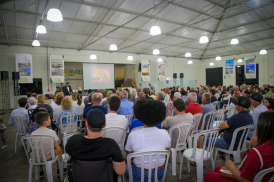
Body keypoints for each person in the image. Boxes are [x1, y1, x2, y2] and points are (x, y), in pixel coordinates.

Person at [204, 111, 274, 182]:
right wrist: (237, 165)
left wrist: (231, 166)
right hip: (261, 177)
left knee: (208, 175)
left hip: (244, 178)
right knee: (217, 169)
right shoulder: (269, 146)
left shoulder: (256, 153)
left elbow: (244, 179)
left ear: (263, 127)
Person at [66, 109, 126, 176]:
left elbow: (68, 152)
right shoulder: (111, 145)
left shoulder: (73, 141)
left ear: (86, 123)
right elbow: (120, 171)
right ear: (104, 125)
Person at [125, 99, 171, 181]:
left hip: (139, 173)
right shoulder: (165, 134)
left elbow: (129, 153)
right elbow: (166, 152)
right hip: (159, 171)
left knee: (126, 166)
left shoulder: (133, 135)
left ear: (140, 116)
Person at [31, 112, 63, 177]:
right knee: (59, 148)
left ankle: (41, 170)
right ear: (46, 122)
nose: (50, 120)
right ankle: (59, 169)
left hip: (35, 157)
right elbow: (56, 146)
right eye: (49, 119)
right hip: (48, 157)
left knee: (39, 149)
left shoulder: (33, 134)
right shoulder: (51, 132)